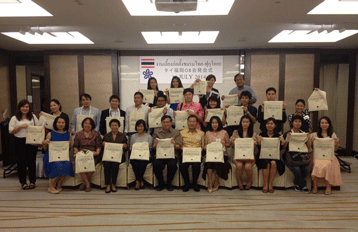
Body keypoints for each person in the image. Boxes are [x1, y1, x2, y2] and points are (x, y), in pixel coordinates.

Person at [9, 99, 39, 190]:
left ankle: (32, 181)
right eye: (23, 107)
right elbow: (11, 131)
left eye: (26, 107)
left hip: (31, 141)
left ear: (29, 108)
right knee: (21, 162)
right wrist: (20, 127)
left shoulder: (33, 116)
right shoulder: (14, 118)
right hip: (19, 141)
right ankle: (23, 182)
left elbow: (38, 127)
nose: (25, 109)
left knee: (31, 162)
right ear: (19, 108)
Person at [310, 116, 342, 195]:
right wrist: (311, 142)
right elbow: (310, 148)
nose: (324, 124)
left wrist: (336, 143)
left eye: (326, 123)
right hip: (318, 155)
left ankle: (328, 186)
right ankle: (315, 185)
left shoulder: (332, 135)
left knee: (328, 164)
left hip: (329, 156)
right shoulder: (314, 135)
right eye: (322, 123)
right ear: (319, 124)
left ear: (329, 124)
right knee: (317, 164)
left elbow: (335, 149)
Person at [42, 116, 74, 194]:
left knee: (68, 164)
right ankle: (51, 186)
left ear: (65, 124)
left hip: (63, 156)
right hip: (51, 156)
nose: (60, 124)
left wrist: (69, 145)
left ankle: (59, 184)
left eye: (62, 122)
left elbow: (68, 149)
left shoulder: (68, 134)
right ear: (55, 123)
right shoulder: (50, 134)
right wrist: (44, 143)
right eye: (59, 122)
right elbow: (45, 149)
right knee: (57, 165)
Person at [282, 115, 311, 193]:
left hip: (302, 157)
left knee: (307, 168)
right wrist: (287, 139)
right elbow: (284, 147)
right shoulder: (288, 133)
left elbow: (308, 148)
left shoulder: (304, 134)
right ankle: (303, 185)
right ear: (292, 123)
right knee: (296, 169)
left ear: (301, 123)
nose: (297, 123)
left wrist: (308, 139)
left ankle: (296, 183)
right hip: (291, 157)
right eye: (296, 121)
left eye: (299, 122)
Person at [256, 117, 285, 193]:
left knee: (273, 163)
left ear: (275, 125)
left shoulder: (278, 136)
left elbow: (281, 148)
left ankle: (270, 184)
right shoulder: (262, 135)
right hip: (263, 156)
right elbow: (258, 148)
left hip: (274, 156)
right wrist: (258, 142)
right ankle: (265, 184)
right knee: (266, 163)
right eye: (268, 123)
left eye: (271, 123)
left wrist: (283, 142)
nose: (269, 125)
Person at [152, 115, 182, 191]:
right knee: (156, 164)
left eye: (168, 122)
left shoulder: (176, 132)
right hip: (159, 154)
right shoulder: (156, 132)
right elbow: (153, 147)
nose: (166, 124)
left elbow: (179, 147)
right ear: (161, 123)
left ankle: (169, 183)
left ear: (171, 123)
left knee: (172, 165)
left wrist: (175, 144)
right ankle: (161, 183)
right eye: (164, 122)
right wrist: (155, 144)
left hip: (172, 154)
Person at [73, 117, 102, 192]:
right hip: (81, 154)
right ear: (83, 124)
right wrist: (76, 151)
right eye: (85, 123)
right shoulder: (78, 134)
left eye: (89, 123)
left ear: (92, 125)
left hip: (93, 154)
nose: (87, 125)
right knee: (80, 163)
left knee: (92, 163)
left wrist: (97, 152)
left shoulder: (96, 134)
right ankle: (87, 183)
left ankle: (84, 183)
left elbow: (99, 145)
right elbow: (75, 146)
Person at [203, 116, 231, 193]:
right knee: (209, 164)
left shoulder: (224, 132)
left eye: (216, 123)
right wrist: (208, 147)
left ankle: (216, 182)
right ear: (210, 124)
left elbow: (229, 144)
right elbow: (204, 146)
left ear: (219, 124)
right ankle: (209, 183)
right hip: (211, 154)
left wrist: (224, 144)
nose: (214, 125)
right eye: (212, 123)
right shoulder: (207, 133)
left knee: (217, 163)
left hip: (222, 155)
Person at [179, 115, 205, 192]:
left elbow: (203, 146)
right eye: (190, 121)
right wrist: (183, 149)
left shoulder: (201, 133)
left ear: (197, 123)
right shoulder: (181, 133)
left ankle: (194, 183)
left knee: (196, 165)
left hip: (196, 155)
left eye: (194, 122)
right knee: (182, 166)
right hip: (185, 154)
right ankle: (187, 184)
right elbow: (180, 146)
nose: (191, 123)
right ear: (187, 122)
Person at [231, 115, 257, 190]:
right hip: (238, 156)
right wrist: (233, 142)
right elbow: (232, 146)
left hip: (250, 156)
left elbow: (254, 150)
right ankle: (239, 181)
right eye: (243, 122)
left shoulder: (253, 133)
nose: (245, 123)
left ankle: (250, 181)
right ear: (241, 123)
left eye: (247, 122)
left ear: (250, 123)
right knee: (239, 165)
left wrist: (254, 144)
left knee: (247, 166)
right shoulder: (236, 132)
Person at [102, 119, 128, 193]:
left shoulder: (123, 136)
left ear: (119, 126)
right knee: (106, 164)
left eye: (116, 125)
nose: (114, 127)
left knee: (115, 164)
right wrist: (103, 145)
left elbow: (126, 150)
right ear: (110, 126)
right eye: (112, 125)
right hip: (108, 157)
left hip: (119, 157)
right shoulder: (106, 136)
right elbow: (103, 149)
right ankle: (107, 184)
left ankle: (113, 184)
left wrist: (125, 147)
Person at [129, 119, 153, 190]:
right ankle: (140, 180)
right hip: (135, 156)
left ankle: (137, 181)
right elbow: (130, 148)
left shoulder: (149, 137)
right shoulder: (133, 136)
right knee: (135, 163)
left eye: (141, 126)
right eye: (138, 126)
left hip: (145, 156)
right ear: (136, 127)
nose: (140, 128)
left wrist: (148, 147)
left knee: (142, 164)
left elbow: (151, 149)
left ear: (144, 127)